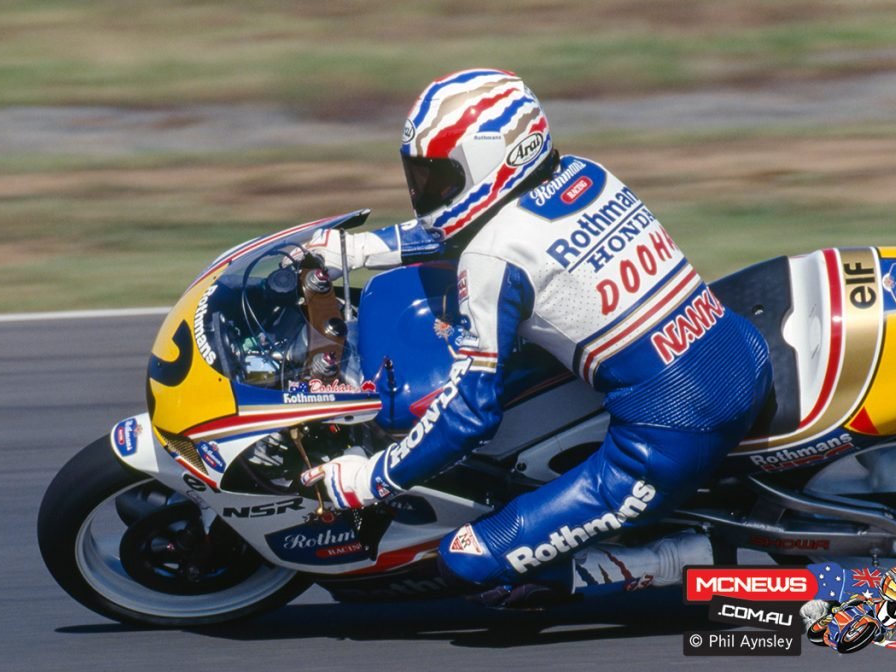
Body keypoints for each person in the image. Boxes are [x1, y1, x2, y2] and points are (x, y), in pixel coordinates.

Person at [300, 68, 772, 604]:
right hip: (738, 350)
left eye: (438, 178)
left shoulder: (491, 257)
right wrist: (352, 252)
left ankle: (674, 560)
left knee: (467, 560)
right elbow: (471, 229)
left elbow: (468, 415)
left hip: (670, 434)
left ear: (491, 166)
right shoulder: (587, 175)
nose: (423, 191)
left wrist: (370, 481)